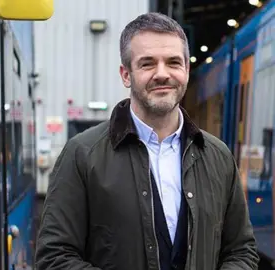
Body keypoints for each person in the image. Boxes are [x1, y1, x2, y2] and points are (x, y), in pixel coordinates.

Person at [35, 12, 259, 270]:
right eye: (147, 63)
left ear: (186, 70)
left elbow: (241, 251)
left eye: (173, 62)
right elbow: (54, 257)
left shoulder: (218, 157)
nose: (162, 74)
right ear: (126, 74)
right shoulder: (82, 154)